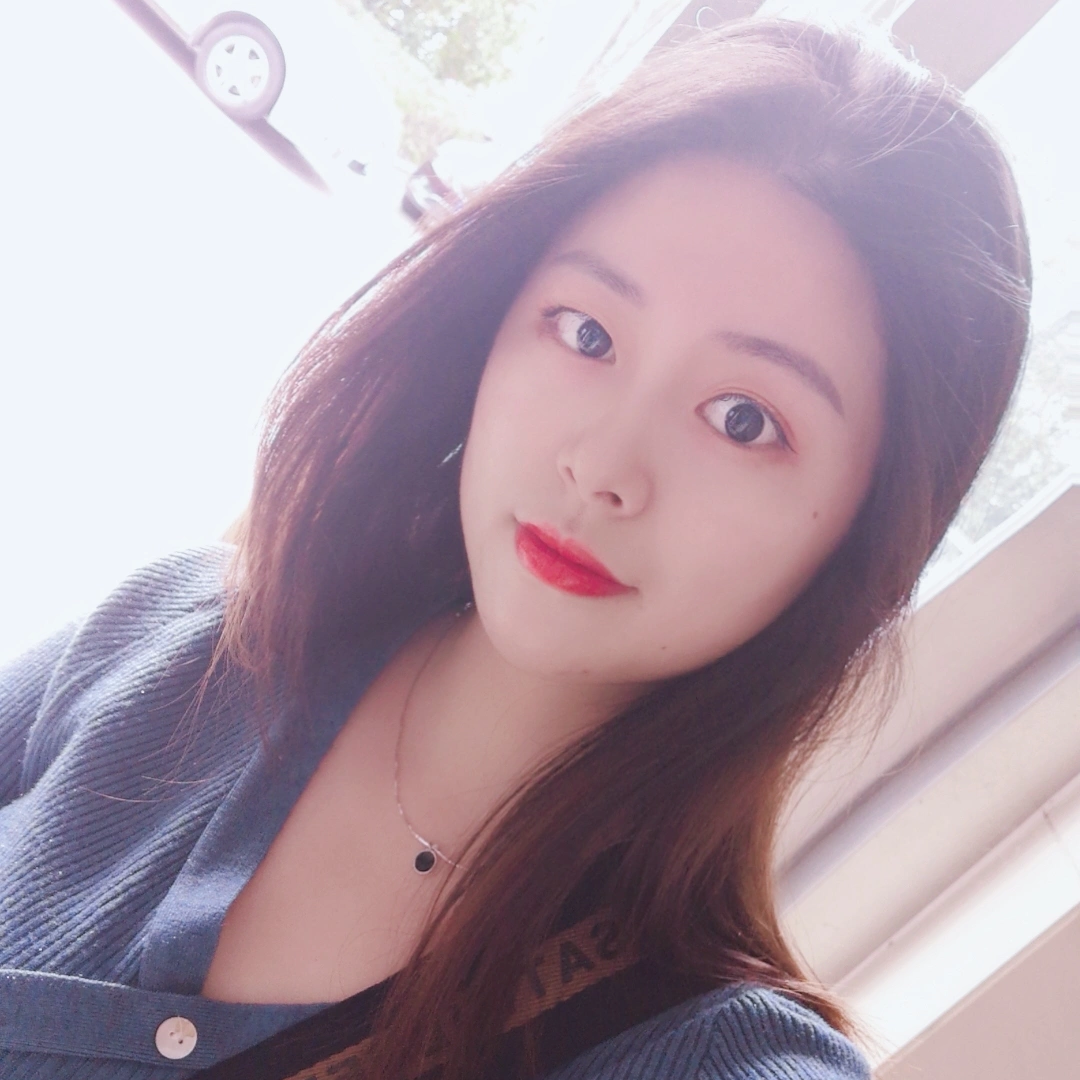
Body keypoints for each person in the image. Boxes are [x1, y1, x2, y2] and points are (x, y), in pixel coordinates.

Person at [0, 16, 1031, 1080]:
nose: (602, 465)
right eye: (587, 333)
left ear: (866, 536)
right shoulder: (180, 634)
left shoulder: (709, 1059)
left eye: (742, 420)